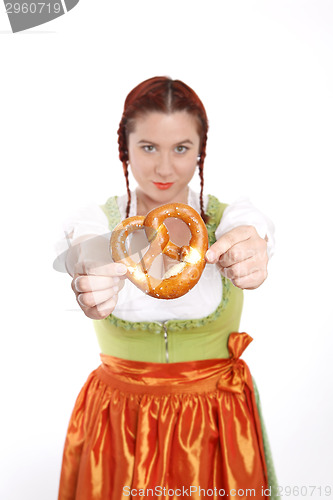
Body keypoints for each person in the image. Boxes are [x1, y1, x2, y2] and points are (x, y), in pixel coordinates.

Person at [57, 77, 278, 500]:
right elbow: (80, 246)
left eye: (181, 148)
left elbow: (254, 229)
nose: (163, 168)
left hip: (216, 425)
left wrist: (255, 246)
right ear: (125, 148)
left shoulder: (228, 222)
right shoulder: (98, 223)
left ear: (201, 150)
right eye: (147, 147)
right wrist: (86, 269)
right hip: (116, 425)